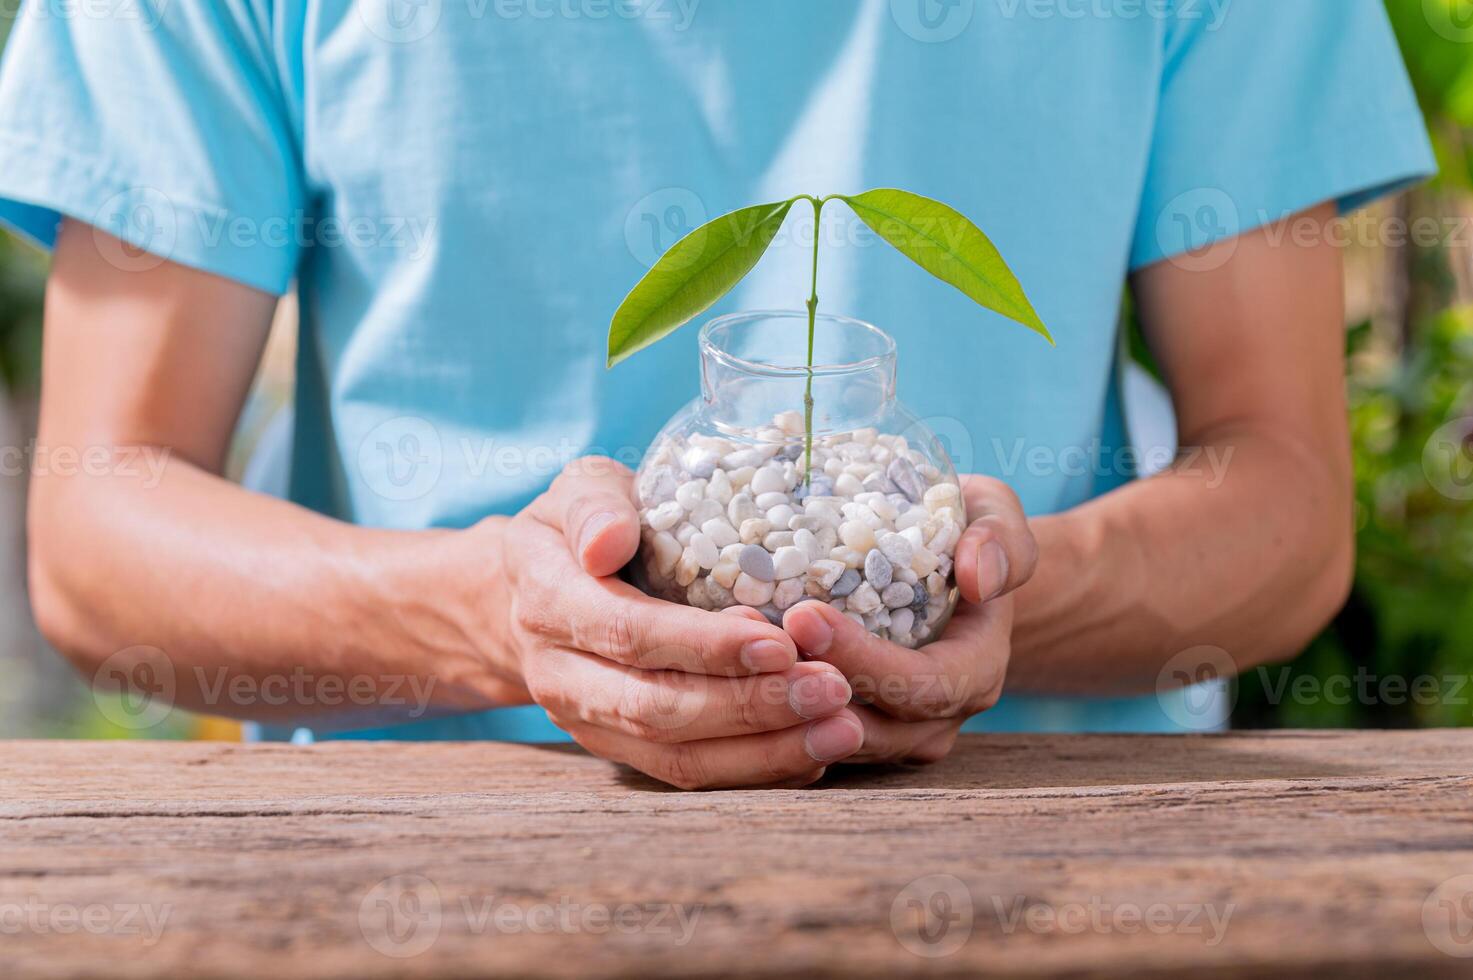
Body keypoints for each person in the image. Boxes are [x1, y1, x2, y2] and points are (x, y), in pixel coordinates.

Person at [0, 0, 1433, 788]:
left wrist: (1006, 599)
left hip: (1042, 857)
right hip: (421, 877)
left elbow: (1285, 499)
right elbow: (100, 530)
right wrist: (505, 616)